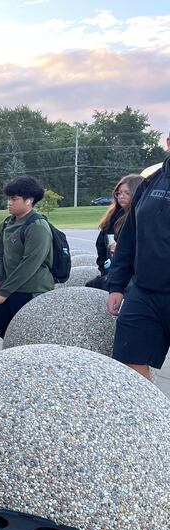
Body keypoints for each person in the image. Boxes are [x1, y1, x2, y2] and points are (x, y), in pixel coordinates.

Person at [107, 156, 170, 380]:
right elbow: (129, 239)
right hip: (145, 292)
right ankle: (148, 413)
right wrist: (116, 285)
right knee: (128, 359)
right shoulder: (149, 181)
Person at [0, 176, 54, 339]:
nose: (9, 203)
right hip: (9, 287)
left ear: (29, 201)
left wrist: (4, 292)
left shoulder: (37, 226)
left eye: (14, 199)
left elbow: (29, 265)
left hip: (31, 290)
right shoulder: (6, 224)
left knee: (27, 335)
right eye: (8, 199)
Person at [86, 174, 143, 289]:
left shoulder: (142, 218)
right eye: (119, 193)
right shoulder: (112, 217)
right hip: (110, 270)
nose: (121, 196)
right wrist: (104, 270)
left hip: (133, 276)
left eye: (127, 193)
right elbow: (101, 246)